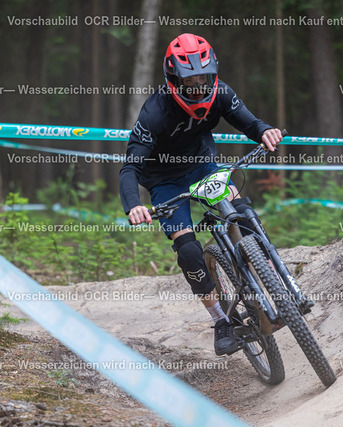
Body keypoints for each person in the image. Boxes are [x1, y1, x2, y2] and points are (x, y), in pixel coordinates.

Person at [119, 33, 283, 355]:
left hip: (202, 167)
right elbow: (130, 168)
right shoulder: (155, 112)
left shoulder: (221, 93)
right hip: (165, 181)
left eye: (203, 80)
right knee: (189, 252)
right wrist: (134, 205)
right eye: (189, 82)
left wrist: (265, 131)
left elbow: (249, 123)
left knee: (240, 211)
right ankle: (221, 320)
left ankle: (270, 273)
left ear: (213, 75)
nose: (197, 88)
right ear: (173, 81)